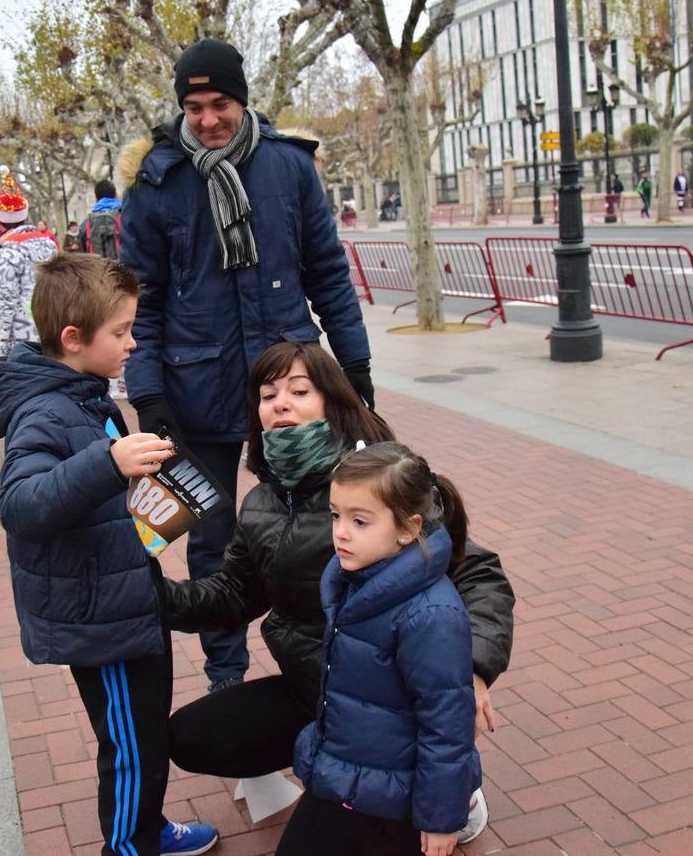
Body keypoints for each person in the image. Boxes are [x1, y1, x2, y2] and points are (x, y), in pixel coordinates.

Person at [164, 341, 513, 846]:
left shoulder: (375, 483)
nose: (279, 403)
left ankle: (450, 796)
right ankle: (330, 763)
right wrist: (154, 594)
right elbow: (234, 594)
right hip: (315, 688)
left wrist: (474, 671)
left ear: (333, 402)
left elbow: (478, 574)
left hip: (387, 710)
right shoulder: (263, 499)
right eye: (267, 394)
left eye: (299, 390)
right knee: (191, 737)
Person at [119, 36, 373, 691]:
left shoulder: (289, 168)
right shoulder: (157, 181)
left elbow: (328, 276)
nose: (208, 119)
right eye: (195, 105)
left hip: (287, 383)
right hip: (193, 389)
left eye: (221, 103)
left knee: (322, 523)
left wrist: (357, 368)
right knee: (210, 539)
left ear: (244, 101)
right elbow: (138, 303)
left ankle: (334, 667)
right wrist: (147, 395)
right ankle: (225, 680)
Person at [0, 252, 219, 856]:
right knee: (130, 745)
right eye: (120, 332)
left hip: (125, 600)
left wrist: (154, 495)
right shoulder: (44, 410)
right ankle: (129, 845)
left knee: (142, 738)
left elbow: (99, 497)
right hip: (102, 620)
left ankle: (144, 827)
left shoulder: (84, 395)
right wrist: (107, 463)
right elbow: (21, 505)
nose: (133, 343)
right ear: (73, 338)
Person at [277, 442, 482, 856]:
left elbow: (447, 724)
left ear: (408, 528)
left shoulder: (429, 615)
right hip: (350, 773)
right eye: (336, 515)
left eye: (360, 521)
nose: (341, 532)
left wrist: (441, 817)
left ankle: (469, 807)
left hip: (395, 798)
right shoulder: (355, 578)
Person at [0, 173, 57, 359]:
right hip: (51, 330)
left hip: (23, 342)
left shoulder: (5, 253)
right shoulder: (48, 244)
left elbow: (3, 306)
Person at [79, 179, 122, 257]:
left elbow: (84, 248)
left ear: (96, 198)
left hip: (98, 266)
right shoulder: (125, 214)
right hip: (124, 266)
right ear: (115, 194)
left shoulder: (87, 221)